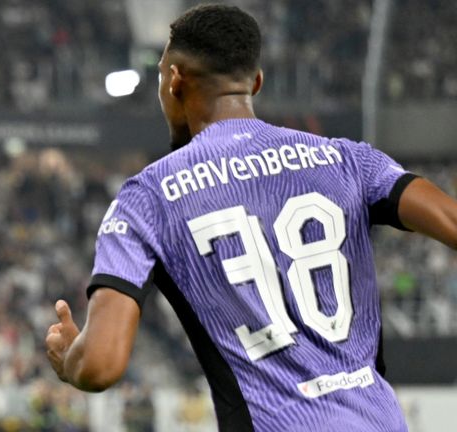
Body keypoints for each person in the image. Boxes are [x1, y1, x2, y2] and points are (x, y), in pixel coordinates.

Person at [45, 4, 457, 432]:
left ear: (173, 80)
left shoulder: (146, 198)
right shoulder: (347, 159)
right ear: (255, 83)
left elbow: (100, 365)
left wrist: (71, 359)